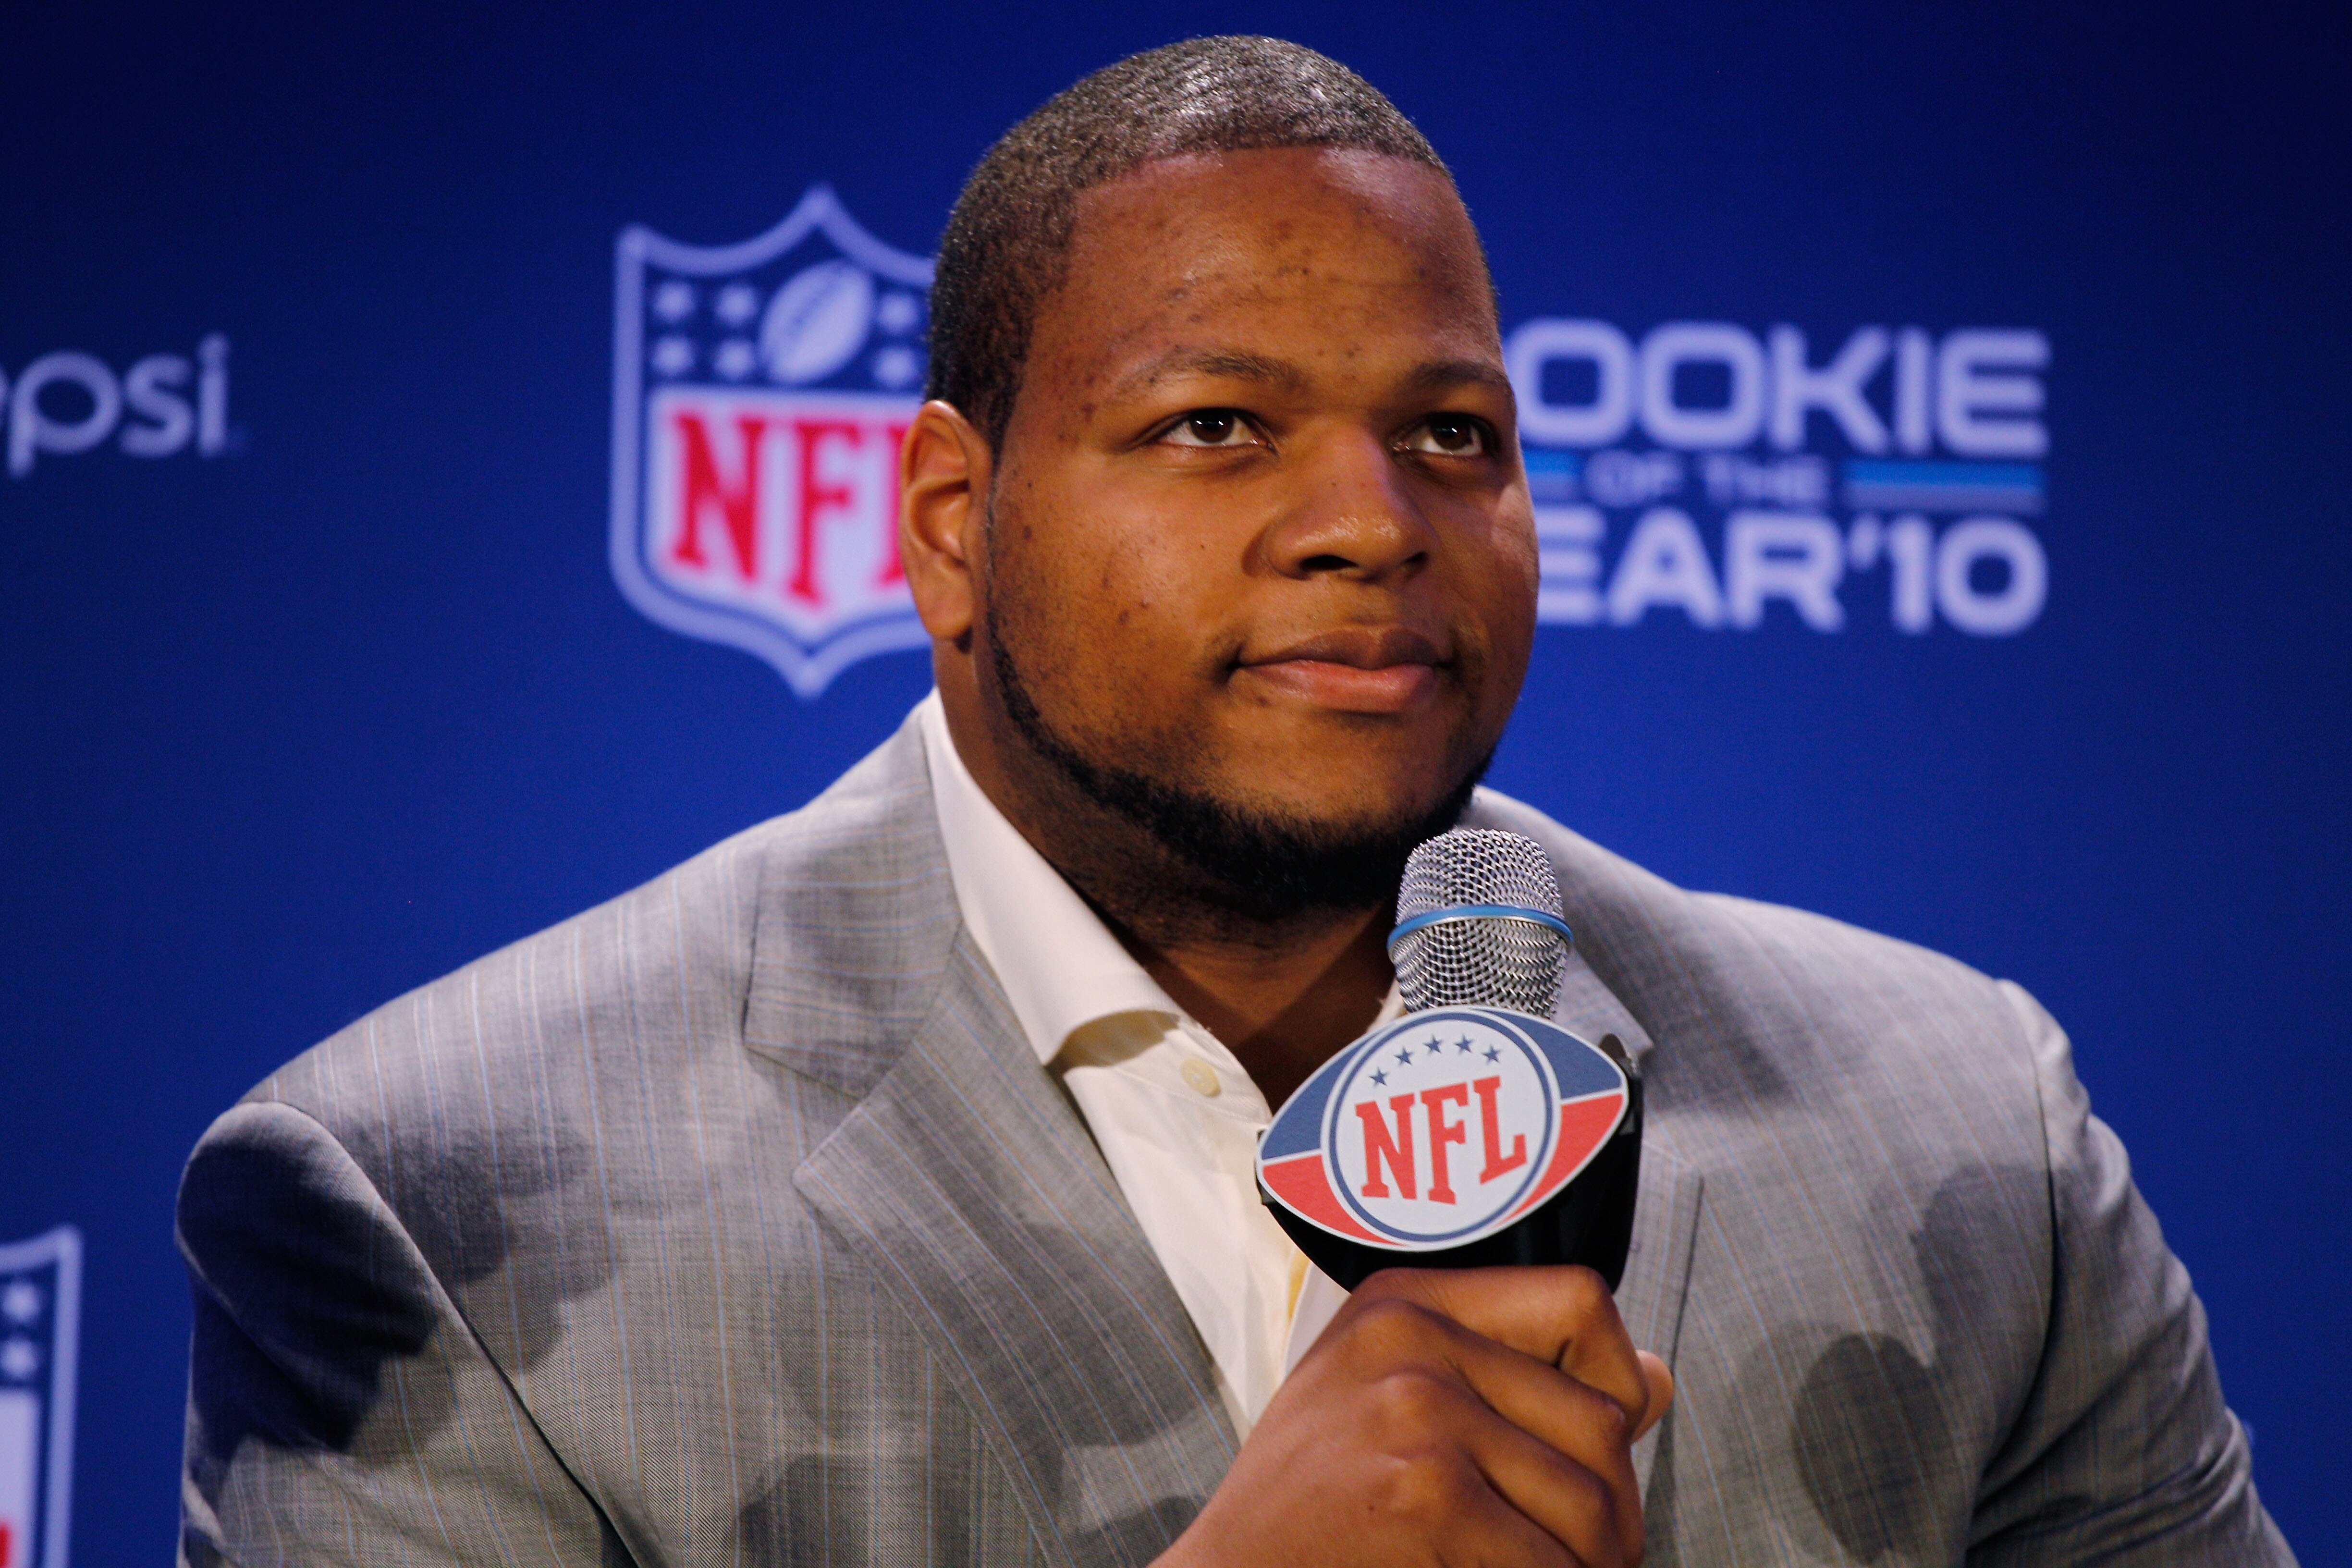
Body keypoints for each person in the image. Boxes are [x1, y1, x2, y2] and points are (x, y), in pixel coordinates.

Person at [175, 37, 2291, 1568]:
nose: (1372, 522)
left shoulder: (1957, 1132)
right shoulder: (425, 1201)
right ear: (947, 522)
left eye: (1453, 434)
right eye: (1214, 426)